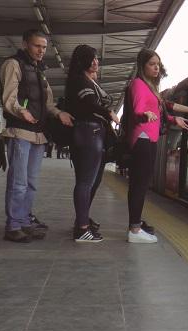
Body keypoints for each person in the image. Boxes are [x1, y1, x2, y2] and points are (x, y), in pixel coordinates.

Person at [126, 48, 188, 243]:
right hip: (142, 138)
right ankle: (134, 230)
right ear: (142, 66)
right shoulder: (138, 85)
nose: (157, 67)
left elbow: (166, 108)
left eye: (158, 64)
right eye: (152, 64)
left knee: (142, 183)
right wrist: (144, 115)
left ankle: (135, 225)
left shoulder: (151, 88)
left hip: (150, 138)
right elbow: (138, 111)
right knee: (139, 183)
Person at [0, 29, 74, 243]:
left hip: (39, 135)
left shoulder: (40, 71)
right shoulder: (13, 64)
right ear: (25, 44)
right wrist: (20, 110)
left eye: (43, 47)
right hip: (20, 131)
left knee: (31, 183)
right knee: (19, 182)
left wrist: (60, 113)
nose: (41, 50)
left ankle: (23, 220)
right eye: (36, 46)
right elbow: (8, 97)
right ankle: (13, 225)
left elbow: (48, 104)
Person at [65, 44, 120, 242]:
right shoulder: (80, 81)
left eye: (97, 58)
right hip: (89, 132)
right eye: (92, 58)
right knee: (85, 181)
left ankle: (82, 219)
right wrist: (108, 112)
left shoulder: (88, 81)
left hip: (95, 133)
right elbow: (90, 105)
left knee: (92, 181)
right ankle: (81, 228)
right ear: (82, 61)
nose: (96, 62)